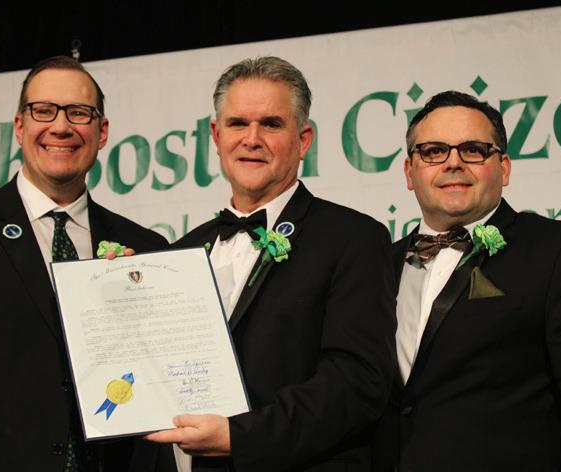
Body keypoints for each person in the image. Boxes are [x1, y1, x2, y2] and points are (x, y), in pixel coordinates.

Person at [132, 56, 397, 472]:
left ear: (304, 139)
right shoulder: (181, 252)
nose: (251, 139)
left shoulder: (353, 238)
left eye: (271, 124)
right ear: (216, 136)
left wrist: (241, 437)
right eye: (237, 124)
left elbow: (357, 381)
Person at [0, 56, 168, 471]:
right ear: (19, 126)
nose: (61, 127)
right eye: (43, 110)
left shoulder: (146, 248)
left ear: (102, 132)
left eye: (79, 113)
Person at [374, 90, 561, 471]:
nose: (453, 163)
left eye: (473, 150)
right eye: (434, 151)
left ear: (504, 168)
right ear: (410, 172)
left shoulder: (560, 251)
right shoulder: (376, 266)